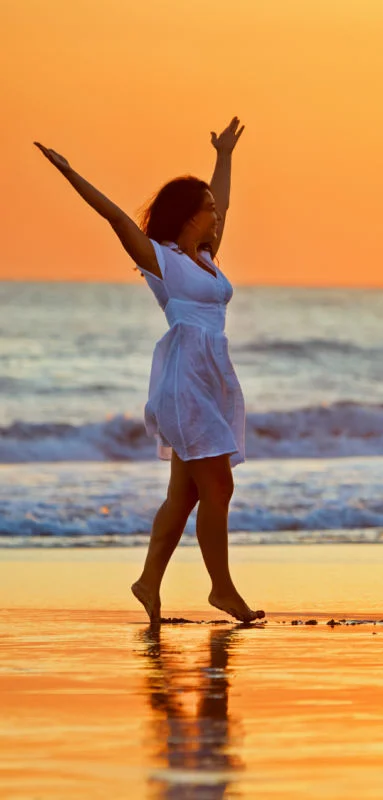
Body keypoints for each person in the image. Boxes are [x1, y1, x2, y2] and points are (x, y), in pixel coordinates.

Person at [35, 118, 264, 625]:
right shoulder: (162, 261)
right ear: (187, 216)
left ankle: (147, 582)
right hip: (185, 386)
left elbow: (223, 201)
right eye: (206, 209)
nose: (216, 215)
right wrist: (71, 175)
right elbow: (116, 219)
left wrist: (224, 155)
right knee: (218, 488)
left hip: (213, 381)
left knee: (184, 496)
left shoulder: (205, 257)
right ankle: (222, 590)